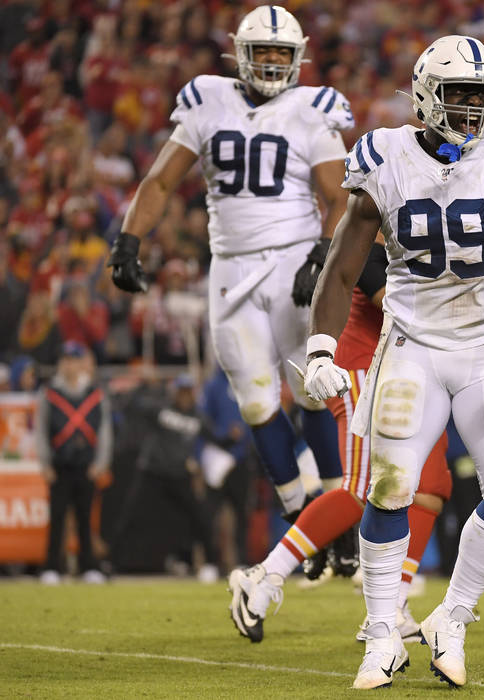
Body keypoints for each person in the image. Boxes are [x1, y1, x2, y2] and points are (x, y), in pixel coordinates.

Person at [300, 35, 484, 689]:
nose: (474, 108)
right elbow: (340, 268)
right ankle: (383, 632)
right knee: (390, 486)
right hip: (413, 347)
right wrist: (318, 349)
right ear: (426, 95)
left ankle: (453, 615)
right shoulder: (385, 155)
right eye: (460, 95)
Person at [106, 5, 352, 519]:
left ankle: (338, 512)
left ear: (297, 57)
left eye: (279, 53)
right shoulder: (207, 100)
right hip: (231, 266)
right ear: (239, 54)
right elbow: (161, 181)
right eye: (260, 51)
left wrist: (321, 255)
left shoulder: (312, 109)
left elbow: (340, 197)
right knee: (257, 402)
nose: (268, 62)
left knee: (314, 390)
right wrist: (128, 241)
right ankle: (299, 513)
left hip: (294, 263)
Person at [228, 245, 452, 644]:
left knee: (431, 487)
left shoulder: (432, 223)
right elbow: (398, 306)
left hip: (408, 370)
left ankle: (394, 607)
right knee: (360, 488)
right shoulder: (374, 231)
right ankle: (263, 576)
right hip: (362, 366)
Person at [111, 374, 220, 582]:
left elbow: (214, 438)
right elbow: (129, 405)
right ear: (175, 392)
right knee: (131, 515)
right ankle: (110, 562)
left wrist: (231, 440)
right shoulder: (161, 409)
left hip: (179, 474)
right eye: (181, 391)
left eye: (188, 391)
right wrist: (142, 384)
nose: (185, 396)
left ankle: (210, 563)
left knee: (199, 517)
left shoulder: (198, 417)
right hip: (152, 471)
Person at [35, 341, 111, 584]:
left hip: (85, 465)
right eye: (65, 359)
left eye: (74, 359)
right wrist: (44, 463)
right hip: (59, 465)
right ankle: (51, 567)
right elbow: (40, 429)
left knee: (85, 517)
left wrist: (100, 462)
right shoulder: (49, 392)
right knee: (57, 517)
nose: (69, 364)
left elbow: (105, 430)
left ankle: (88, 566)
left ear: (81, 363)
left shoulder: (95, 393)